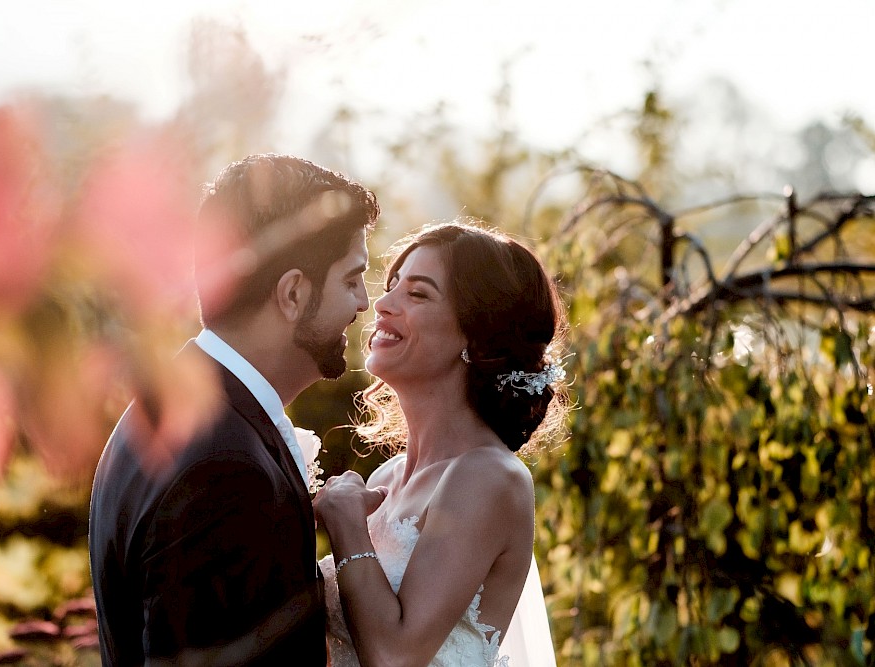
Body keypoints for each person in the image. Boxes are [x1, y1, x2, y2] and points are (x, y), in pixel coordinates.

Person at [89, 154, 379, 666]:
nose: (363, 304)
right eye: (352, 279)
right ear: (293, 293)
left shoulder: (167, 410)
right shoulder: (224, 471)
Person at [314, 219, 566, 667]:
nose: (382, 304)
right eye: (392, 285)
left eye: (417, 293)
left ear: (476, 335)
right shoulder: (385, 478)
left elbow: (395, 656)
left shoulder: (489, 477)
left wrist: (344, 523)